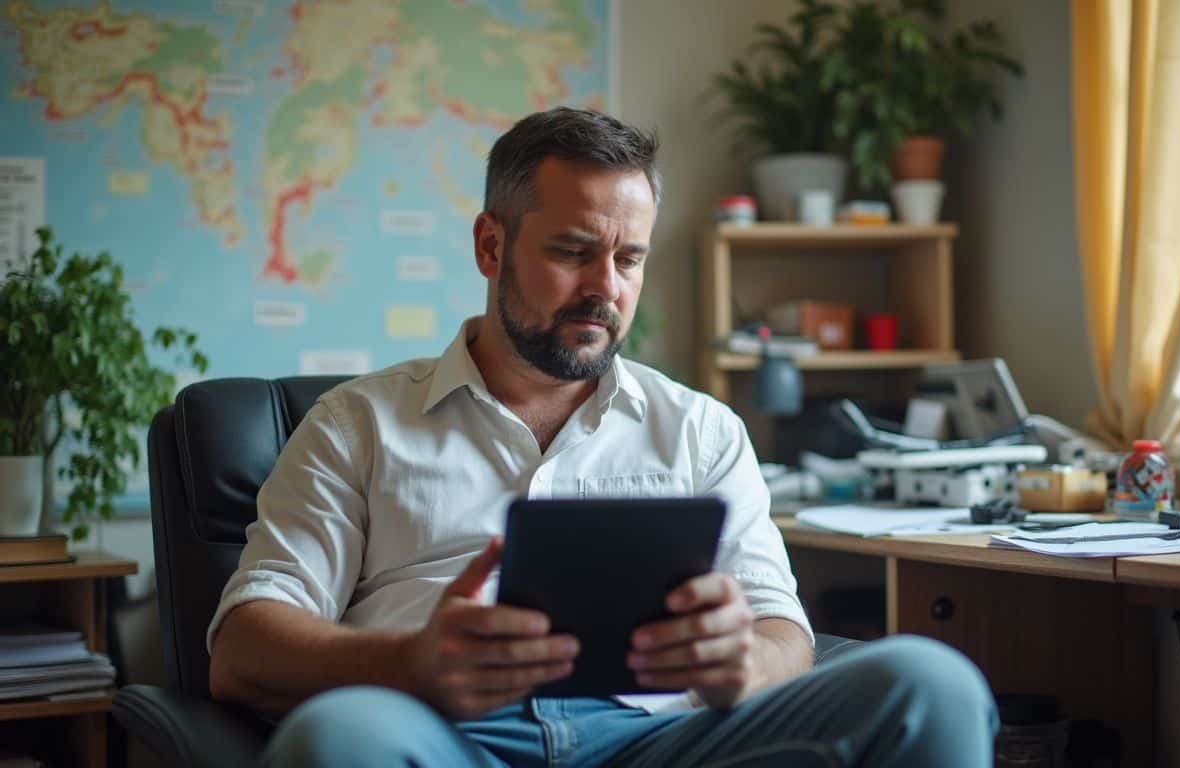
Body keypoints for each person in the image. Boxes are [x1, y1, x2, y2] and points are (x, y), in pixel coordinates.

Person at [207, 107, 997, 767]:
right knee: (337, 737)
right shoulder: (358, 424)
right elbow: (242, 648)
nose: (605, 288)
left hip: (663, 738)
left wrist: (744, 659)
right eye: (573, 252)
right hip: (444, 734)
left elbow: (781, 627)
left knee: (933, 683)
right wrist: (410, 664)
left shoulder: (699, 429)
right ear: (490, 245)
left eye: (629, 258)